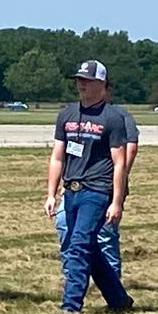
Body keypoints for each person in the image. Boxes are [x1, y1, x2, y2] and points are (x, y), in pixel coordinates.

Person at [44, 60, 133, 313]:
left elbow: (119, 163)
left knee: (79, 244)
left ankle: (71, 305)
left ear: (103, 84)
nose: (81, 84)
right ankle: (118, 300)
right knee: (88, 247)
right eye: (79, 80)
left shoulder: (113, 118)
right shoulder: (67, 114)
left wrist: (116, 202)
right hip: (71, 190)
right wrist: (51, 194)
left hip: (97, 190)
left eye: (88, 80)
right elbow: (57, 156)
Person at [55, 96, 137, 284]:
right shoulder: (72, 114)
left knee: (104, 235)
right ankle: (73, 277)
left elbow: (129, 151)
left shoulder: (118, 117)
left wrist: (116, 190)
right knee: (68, 230)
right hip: (74, 188)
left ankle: (111, 282)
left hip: (102, 189)